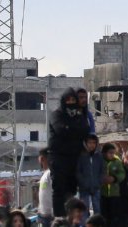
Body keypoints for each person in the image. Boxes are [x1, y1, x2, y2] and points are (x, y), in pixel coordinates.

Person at [50, 88, 92, 217]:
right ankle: (59, 218)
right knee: (59, 190)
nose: (71, 102)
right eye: (68, 100)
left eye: (73, 100)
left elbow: (85, 130)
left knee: (71, 189)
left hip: (74, 159)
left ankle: (69, 217)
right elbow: (60, 129)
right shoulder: (57, 114)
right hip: (59, 159)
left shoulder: (80, 115)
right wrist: (74, 130)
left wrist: (70, 129)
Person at [77, 133, 105, 215]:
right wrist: (83, 182)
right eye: (90, 142)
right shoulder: (81, 155)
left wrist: (99, 182)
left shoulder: (99, 156)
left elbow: (103, 170)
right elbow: (78, 171)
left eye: (94, 143)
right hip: (84, 188)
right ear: (85, 143)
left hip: (96, 187)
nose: (92, 145)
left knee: (97, 209)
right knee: (84, 210)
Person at [99, 143, 126, 226]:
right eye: (110, 153)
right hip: (102, 193)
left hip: (114, 194)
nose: (112, 155)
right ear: (104, 152)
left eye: (113, 153)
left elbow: (122, 174)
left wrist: (114, 178)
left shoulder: (117, 161)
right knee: (103, 216)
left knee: (113, 216)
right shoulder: (99, 160)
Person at [38, 147, 56, 226]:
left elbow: (55, 192)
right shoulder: (45, 174)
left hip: (50, 216)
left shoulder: (50, 173)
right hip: (43, 215)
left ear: (41, 159)